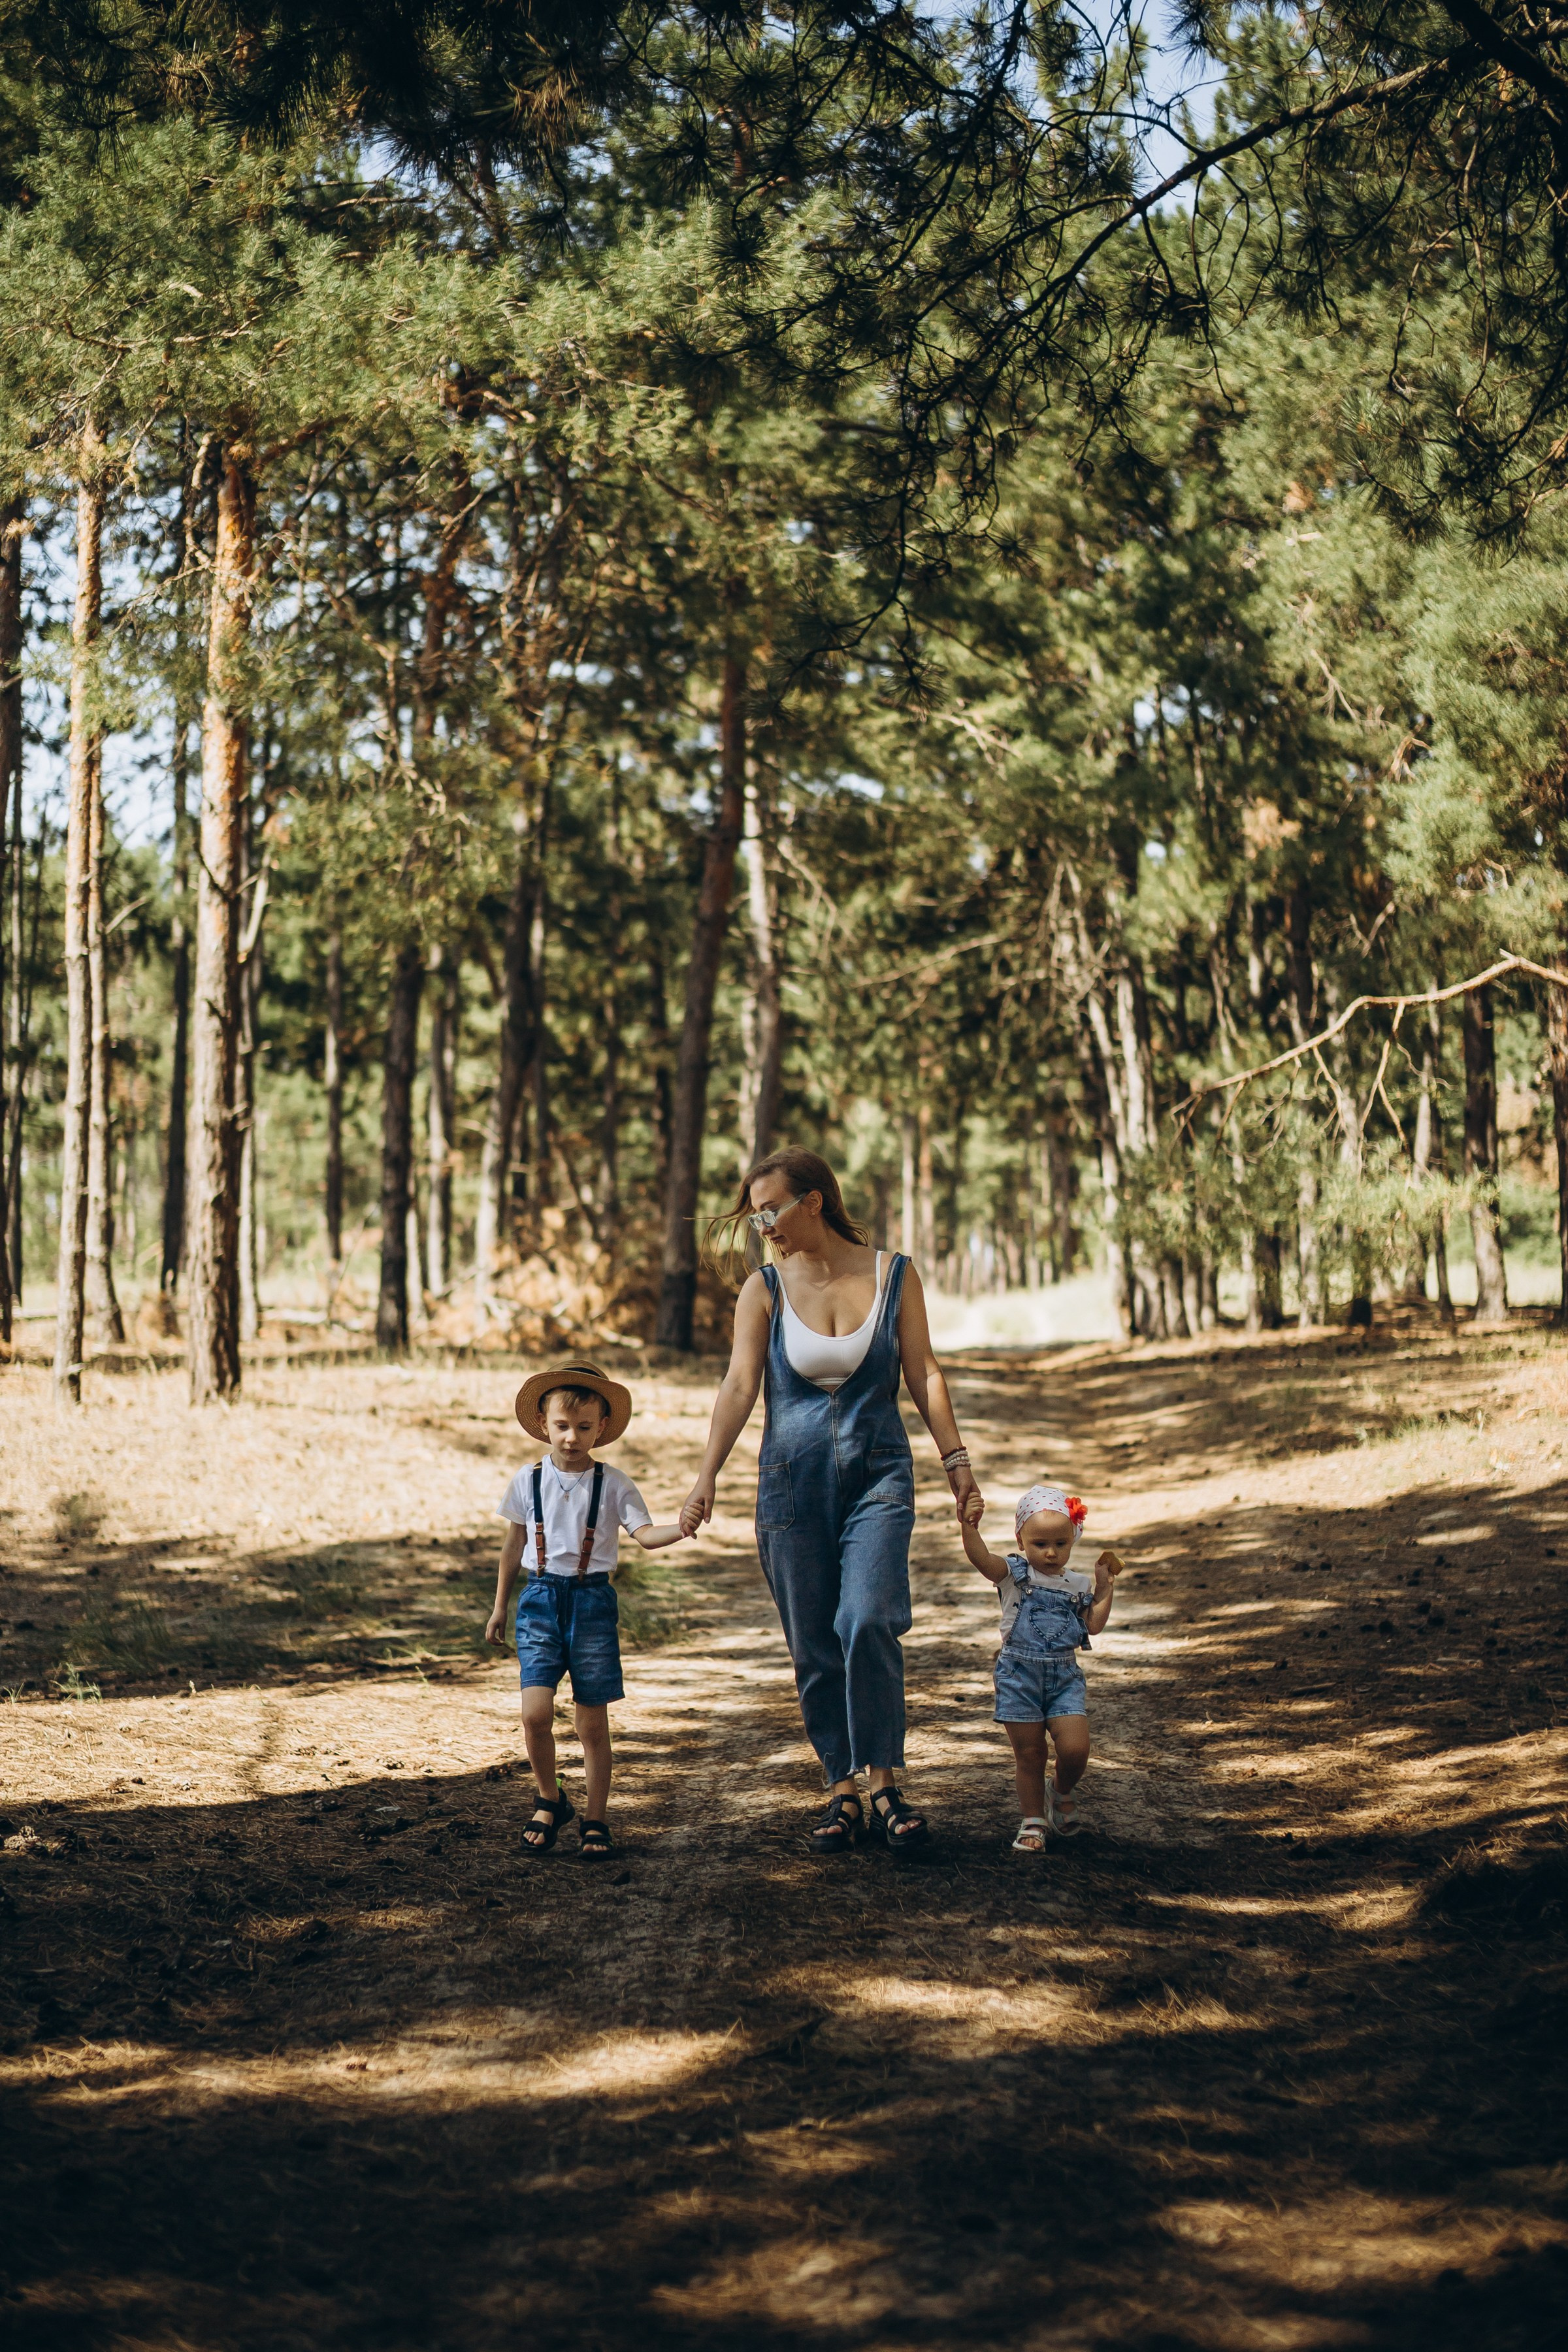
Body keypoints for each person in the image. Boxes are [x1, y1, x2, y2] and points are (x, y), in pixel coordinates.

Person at [680, 1147, 984, 1855]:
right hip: (791, 1484)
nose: (764, 1228)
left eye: (772, 1211)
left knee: (869, 1618)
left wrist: (957, 1461)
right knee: (815, 1642)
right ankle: (843, 1790)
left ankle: (887, 1783)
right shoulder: (763, 1289)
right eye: (755, 1217)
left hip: (880, 1475)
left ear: (813, 1201)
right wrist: (706, 1475)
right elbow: (738, 1386)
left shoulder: (893, 1275)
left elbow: (926, 1372)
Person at [485, 1360, 689, 1858]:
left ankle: (596, 1818)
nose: (571, 1438)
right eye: (561, 1426)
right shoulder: (526, 1480)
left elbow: (644, 1536)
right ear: (542, 1423)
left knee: (591, 1724)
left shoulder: (614, 1484)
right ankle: (550, 1798)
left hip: (593, 1603)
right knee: (535, 1713)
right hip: (538, 1601)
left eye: (582, 1427)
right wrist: (498, 1608)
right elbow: (512, 1548)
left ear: (602, 1427)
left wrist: (682, 1526)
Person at [960, 1482, 1124, 1852]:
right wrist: (969, 1527)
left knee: (1076, 1749)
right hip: (1019, 1676)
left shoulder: (1077, 1585)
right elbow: (981, 1560)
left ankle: (1062, 1790)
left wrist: (1104, 1589)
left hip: (1064, 1676)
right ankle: (1033, 1821)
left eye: (1060, 1544)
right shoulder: (1014, 1575)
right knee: (1031, 1755)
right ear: (1021, 1541)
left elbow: (1093, 1625)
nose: (1051, 1553)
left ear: (1073, 1539)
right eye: (1039, 1544)